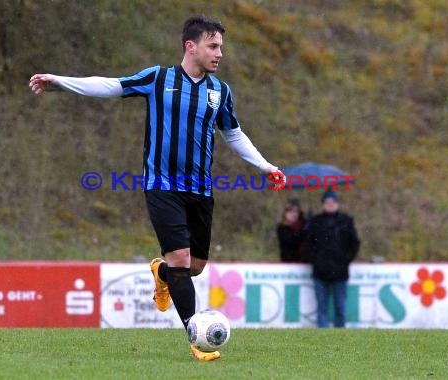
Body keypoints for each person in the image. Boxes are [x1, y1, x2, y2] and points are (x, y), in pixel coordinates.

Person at [29, 15, 284, 360]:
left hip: (201, 191)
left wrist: (265, 165)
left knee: (193, 267)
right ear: (190, 47)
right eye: (213, 46)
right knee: (180, 259)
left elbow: (233, 134)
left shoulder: (219, 92)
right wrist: (58, 82)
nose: (219, 53)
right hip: (161, 186)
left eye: (221, 47)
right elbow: (111, 86)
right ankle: (197, 339)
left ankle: (160, 273)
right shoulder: (158, 78)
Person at [307, 189, 359, 328]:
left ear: (337, 203)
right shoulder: (315, 221)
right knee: (321, 308)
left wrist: (345, 259)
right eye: (327, 201)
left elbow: (354, 243)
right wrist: (316, 260)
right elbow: (308, 244)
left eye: (333, 201)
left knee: (340, 307)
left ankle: (340, 336)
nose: (330, 204)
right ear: (323, 204)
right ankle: (322, 338)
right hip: (320, 271)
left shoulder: (346, 221)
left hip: (340, 272)